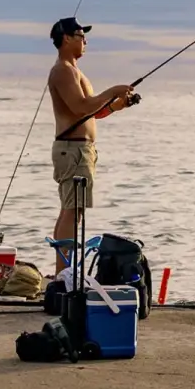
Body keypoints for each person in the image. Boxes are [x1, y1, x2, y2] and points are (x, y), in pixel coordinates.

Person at [46, 17, 135, 275]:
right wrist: (114, 89)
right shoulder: (63, 70)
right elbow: (80, 107)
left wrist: (117, 104)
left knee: (73, 210)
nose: (85, 40)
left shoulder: (76, 72)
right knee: (73, 211)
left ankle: (65, 272)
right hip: (72, 149)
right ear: (65, 38)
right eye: (80, 35)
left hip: (81, 150)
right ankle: (64, 274)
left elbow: (92, 113)